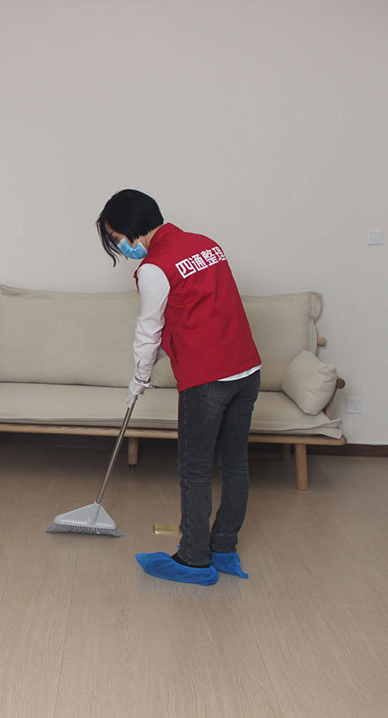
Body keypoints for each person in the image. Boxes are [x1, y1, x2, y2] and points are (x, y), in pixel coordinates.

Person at [96, 189, 261, 586]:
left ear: (129, 230)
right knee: (234, 464)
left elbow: (149, 330)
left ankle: (193, 559)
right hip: (246, 369)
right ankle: (224, 549)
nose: (121, 248)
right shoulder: (207, 245)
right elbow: (199, 309)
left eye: (116, 238)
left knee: (194, 469)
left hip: (207, 379)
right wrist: (148, 370)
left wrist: (139, 377)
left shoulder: (154, 268)